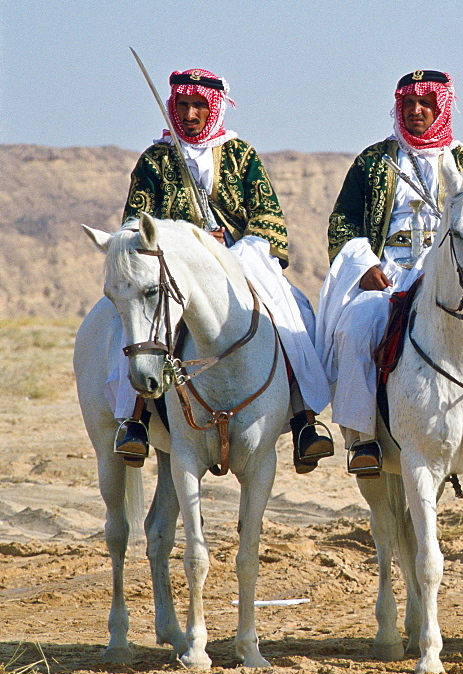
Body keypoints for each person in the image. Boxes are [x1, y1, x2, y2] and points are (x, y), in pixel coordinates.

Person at [315, 70, 463, 477]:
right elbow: (343, 223)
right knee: (355, 327)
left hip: (451, 271)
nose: (416, 111)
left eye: (426, 104)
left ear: (442, 107)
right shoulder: (373, 160)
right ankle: (363, 437)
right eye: (408, 104)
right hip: (388, 272)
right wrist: (363, 264)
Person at [114, 68, 334, 474]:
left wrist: (229, 248)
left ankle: (304, 419)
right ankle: (135, 419)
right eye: (184, 105)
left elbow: (269, 219)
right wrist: (186, 243)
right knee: (134, 322)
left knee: (295, 307)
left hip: (237, 258)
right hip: (173, 267)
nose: (191, 114)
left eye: (199, 105)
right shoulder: (155, 160)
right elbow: (135, 223)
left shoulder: (240, 155)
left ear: (214, 107)